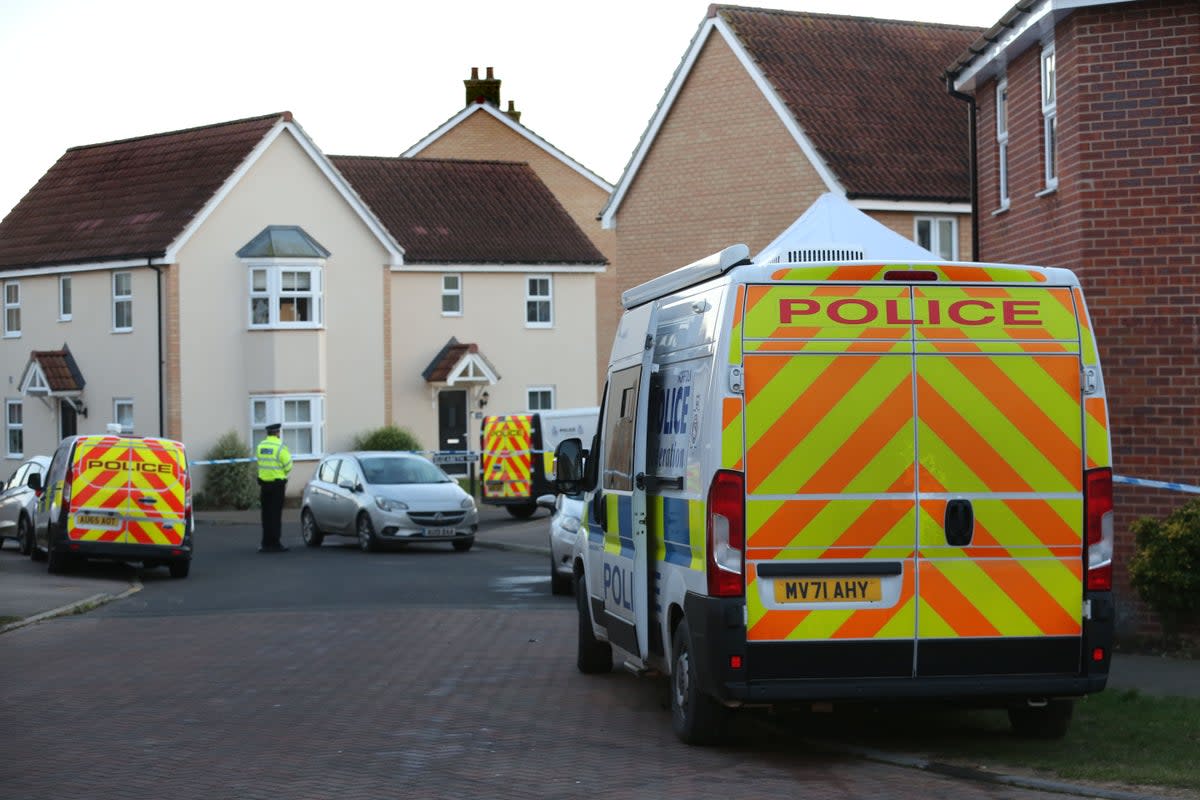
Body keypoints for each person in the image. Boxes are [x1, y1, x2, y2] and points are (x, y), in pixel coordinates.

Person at [256, 422, 293, 552]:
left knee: (266, 515)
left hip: (264, 485)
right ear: (277, 433)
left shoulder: (261, 446)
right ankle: (275, 543)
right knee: (275, 515)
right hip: (277, 485)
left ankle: (265, 543)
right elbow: (288, 466)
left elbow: (260, 463)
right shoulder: (280, 447)